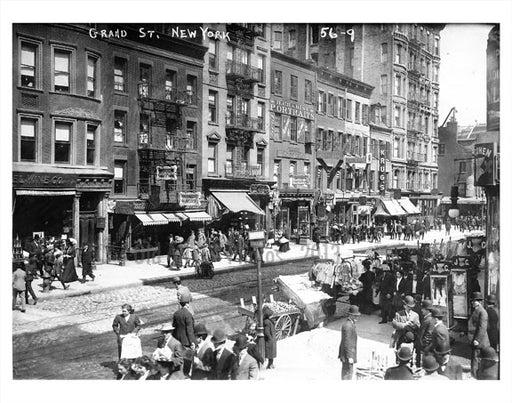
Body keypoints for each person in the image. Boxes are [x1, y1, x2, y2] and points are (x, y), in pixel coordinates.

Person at [469, 291, 490, 379]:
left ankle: (474, 376)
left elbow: (482, 327)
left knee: (475, 358)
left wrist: (477, 339)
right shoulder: (476, 310)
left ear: (480, 302)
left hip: (480, 341)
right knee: (476, 358)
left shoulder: (482, 312)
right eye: (473, 300)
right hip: (476, 339)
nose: (473, 302)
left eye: (476, 301)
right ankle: (476, 374)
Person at [338, 305, 360, 380]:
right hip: (347, 355)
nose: (357, 318)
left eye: (357, 316)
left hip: (348, 355)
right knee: (347, 374)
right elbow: (346, 343)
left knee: (348, 372)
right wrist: (349, 356)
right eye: (355, 316)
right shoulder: (348, 326)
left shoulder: (351, 324)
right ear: (350, 315)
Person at [417, 299, 435, 367]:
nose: (421, 310)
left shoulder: (427, 320)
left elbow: (427, 335)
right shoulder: (430, 318)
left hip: (425, 348)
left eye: (423, 309)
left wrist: (423, 346)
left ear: (427, 310)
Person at [263, 305, 277, 370]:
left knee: (272, 353)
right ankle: (269, 365)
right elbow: (266, 332)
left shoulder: (268, 321)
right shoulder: (267, 322)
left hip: (272, 339)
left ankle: (271, 364)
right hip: (270, 340)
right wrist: (270, 338)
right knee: (270, 353)